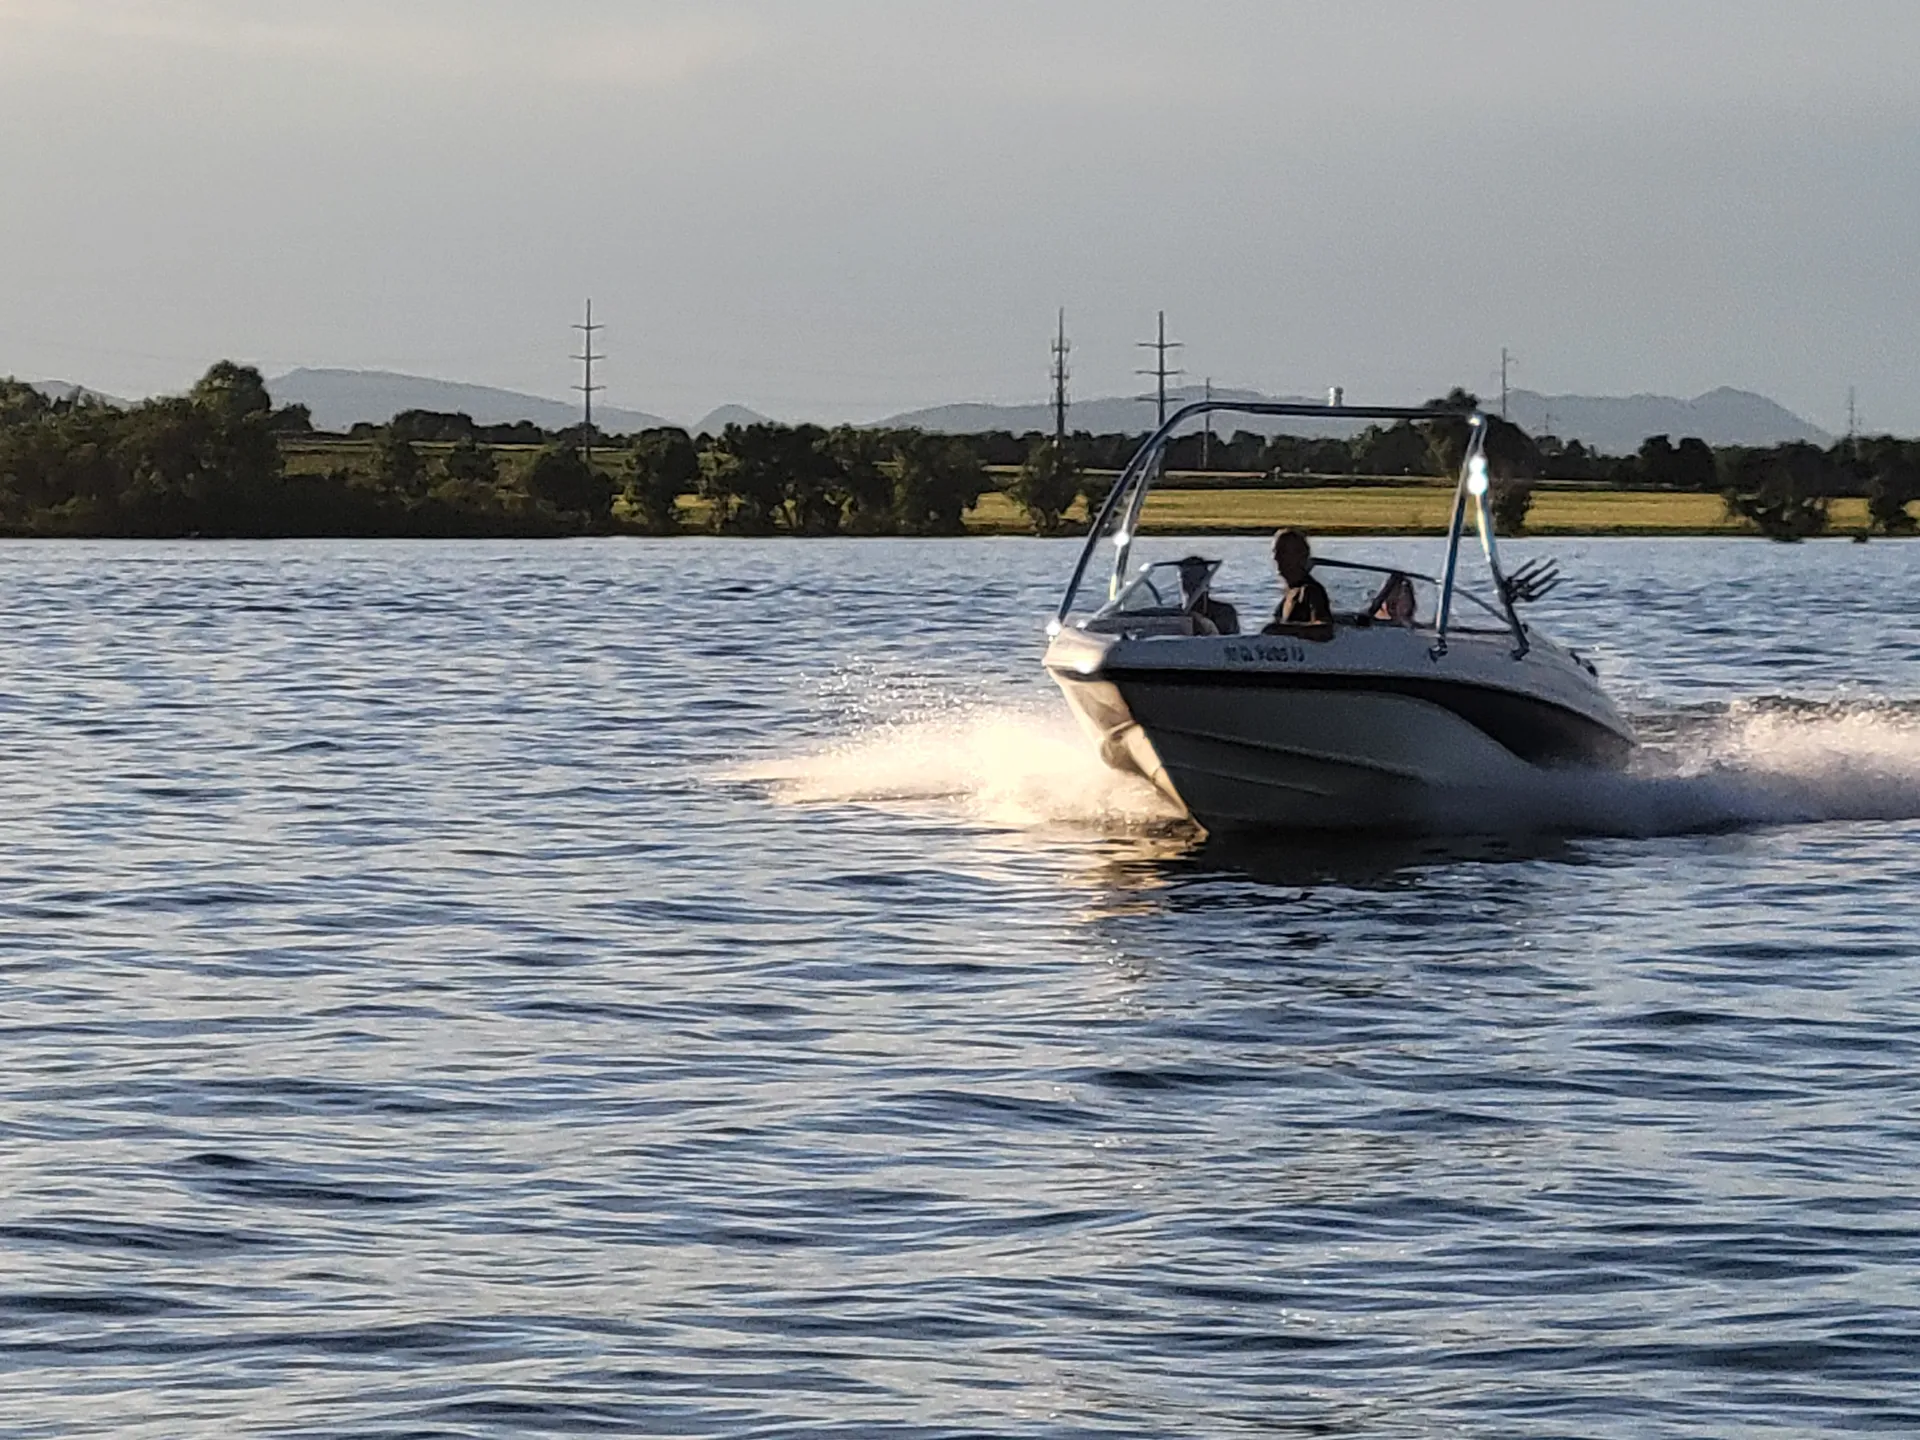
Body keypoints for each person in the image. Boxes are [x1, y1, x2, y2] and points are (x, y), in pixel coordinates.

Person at [1266, 528, 1331, 629]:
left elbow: (1324, 629)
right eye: (1275, 552)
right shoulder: (1290, 593)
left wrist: (1281, 630)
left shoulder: (1311, 591)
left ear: (1301, 556)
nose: (1276, 558)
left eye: (1283, 552)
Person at [1176, 555, 1239, 636]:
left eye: (1196, 578)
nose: (1188, 583)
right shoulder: (1173, 614)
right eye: (1184, 578)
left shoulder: (1224, 613)